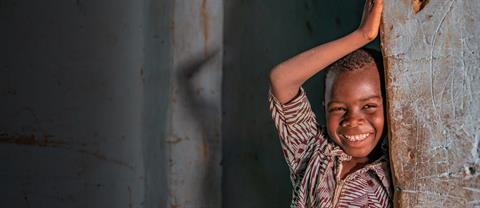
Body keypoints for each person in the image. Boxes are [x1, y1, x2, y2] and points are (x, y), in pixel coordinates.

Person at [268, 0, 392, 207]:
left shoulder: (397, 171)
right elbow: (282, 79)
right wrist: (361, 36)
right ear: (324, 107)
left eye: (369, 106)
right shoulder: (311, 151)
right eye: (339, 108)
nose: (352, 120)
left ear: (389, 107)